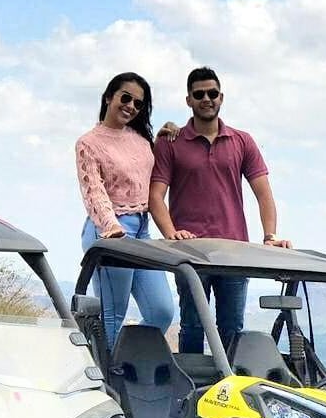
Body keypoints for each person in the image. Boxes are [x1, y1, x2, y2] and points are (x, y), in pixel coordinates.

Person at [149, 66, 289, 354]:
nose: (206, 99)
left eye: (212, 93)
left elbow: (264, 193)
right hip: (191, 254)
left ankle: (228, 392)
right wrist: (171, 233)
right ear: (188, 99)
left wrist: (270, 234)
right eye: (199, 94)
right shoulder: (170, 142)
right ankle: (190, 394)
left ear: (221, 97)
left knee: (231, 328)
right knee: (192, 326)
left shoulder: (242, 141)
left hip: (234, 252)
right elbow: (155, 196)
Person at [76, 72, 175, 351]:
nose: (131, 106)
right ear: (109, 97)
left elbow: (144, 175)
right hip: (111, 230)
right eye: (126, 97)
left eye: (138, 103)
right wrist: (110, 228)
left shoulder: (141, 139)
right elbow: (93, 191)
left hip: (142, 229)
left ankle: (126, 357)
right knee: (112, 315)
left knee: (161, 311)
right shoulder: (89, 143)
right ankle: (105, 380)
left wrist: (164, 138)